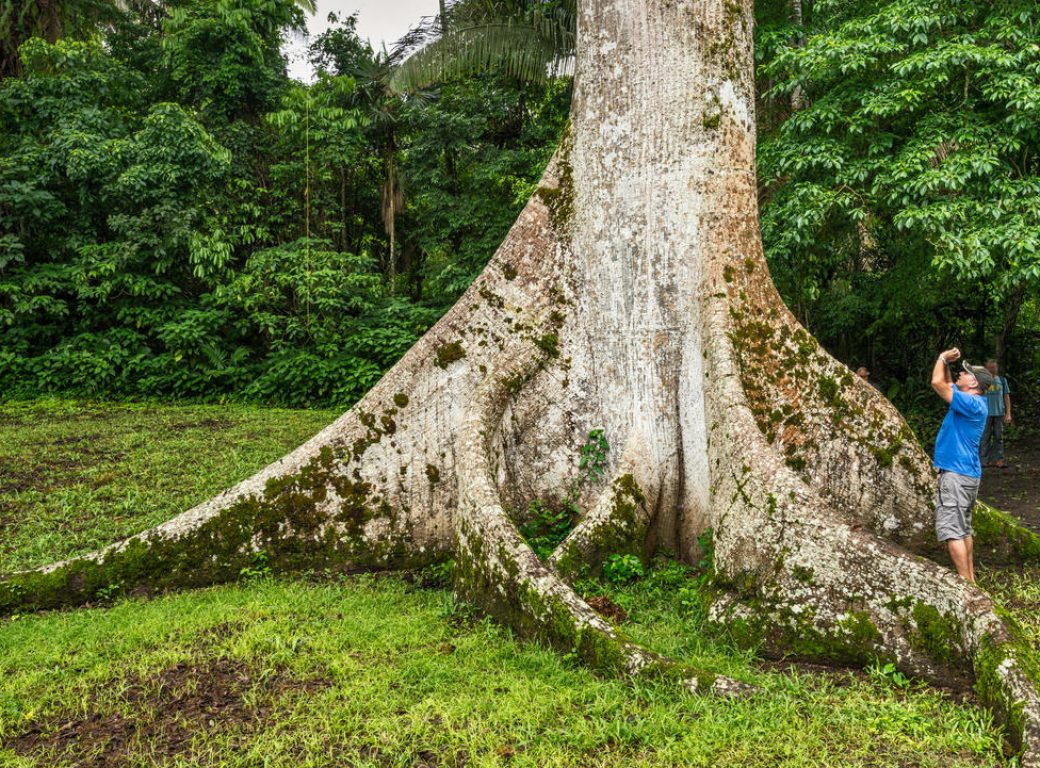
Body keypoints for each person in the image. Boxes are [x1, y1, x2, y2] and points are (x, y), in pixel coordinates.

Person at [930, 348, 993, 582]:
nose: (960, 374)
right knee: (964, 529)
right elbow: (946, 380)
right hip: (967, 473)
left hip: (957, 474)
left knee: (953, 530)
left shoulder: (971, 403)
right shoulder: (972, 401)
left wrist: (942, 359)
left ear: (974, 383)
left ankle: (966, 585)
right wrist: (947, 363)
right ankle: (971, 580)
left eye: (965, 373)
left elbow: (937, 383)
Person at [979, 359, 1012, 468]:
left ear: (997, 368)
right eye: (989, 367)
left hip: (999, 413)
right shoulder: (982, 381)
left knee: (999, 437)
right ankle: (984, 460)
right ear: (986, 368)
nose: (992, 370)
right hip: (985, 414)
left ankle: (999, 460)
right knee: (985, 437)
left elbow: (1006, 397)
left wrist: (1008, 413)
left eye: (994, 367)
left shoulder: (1002, 380)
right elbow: (976, 396)